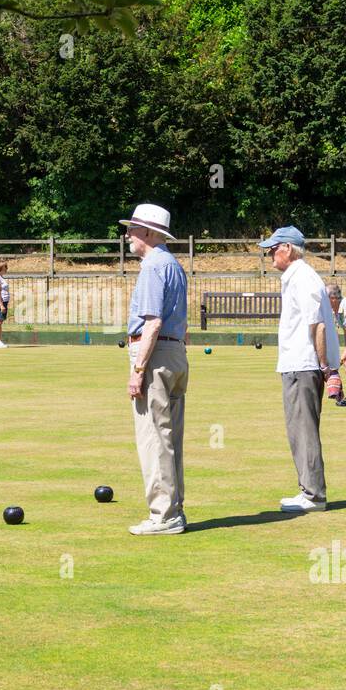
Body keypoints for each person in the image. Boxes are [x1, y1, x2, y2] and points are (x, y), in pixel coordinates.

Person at [260, 226, 339, 513]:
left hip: (303, 365)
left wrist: (323, 366)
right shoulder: (296, 277)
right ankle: (308, 490)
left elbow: (315, 323)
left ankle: (314, 495)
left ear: (288, 249)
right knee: (299, 430)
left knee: (303, 430)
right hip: (299, 364)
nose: (269, 254)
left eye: (273, 248)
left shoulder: (303, 278)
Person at [121, 203, 189, 536]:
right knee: (170, 436)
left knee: (154, 438)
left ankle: (164, 515)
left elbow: (152, 322)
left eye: (132, 228)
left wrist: (138, 369)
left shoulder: (152, 267)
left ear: (148, 232)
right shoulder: (174, 265)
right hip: (175, 352)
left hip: (156, 352)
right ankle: (174, 509)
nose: (127, 234)